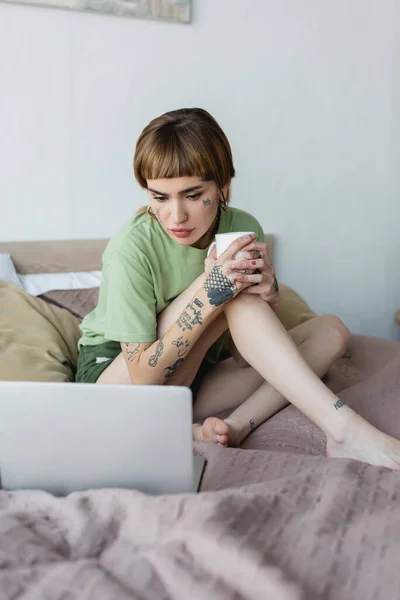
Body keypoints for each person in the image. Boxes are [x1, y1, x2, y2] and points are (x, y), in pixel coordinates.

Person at [76, 107, 400, 469]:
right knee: (227, 289)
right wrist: (210, 290)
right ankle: (344, 429)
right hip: (122, 382)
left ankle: (236, 425)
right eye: (160, 197)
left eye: (193, 194)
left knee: (332, 332)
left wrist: (268, 296)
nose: (176, 216)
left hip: (196, 375)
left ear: (224, 185)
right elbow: (145, 378)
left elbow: (247, 357)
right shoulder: (131, 249)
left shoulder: (242, 227)